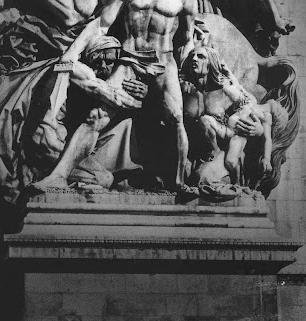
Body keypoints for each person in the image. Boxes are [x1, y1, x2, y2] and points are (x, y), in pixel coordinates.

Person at [32, 0, 198, 194]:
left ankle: (178, 183)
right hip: (130, 59)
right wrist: (73, 52)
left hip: (164, 62)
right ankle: (58, 176)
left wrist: (187, 76)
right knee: (96, 117)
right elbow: (101, 24)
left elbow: (188, 39)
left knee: (176, 119)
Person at [199, 62, 288, 185]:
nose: (276, 104)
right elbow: (237, 85)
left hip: (237, 136)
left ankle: (237, 183)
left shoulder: (266, 117)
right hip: (226, 130)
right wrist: (226, 70)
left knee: (230, 161)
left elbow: (267, 139)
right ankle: (214, 150)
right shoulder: (251, 100)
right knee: (205, 120)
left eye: (278, 108)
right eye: (277, 105)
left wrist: (266, 158)